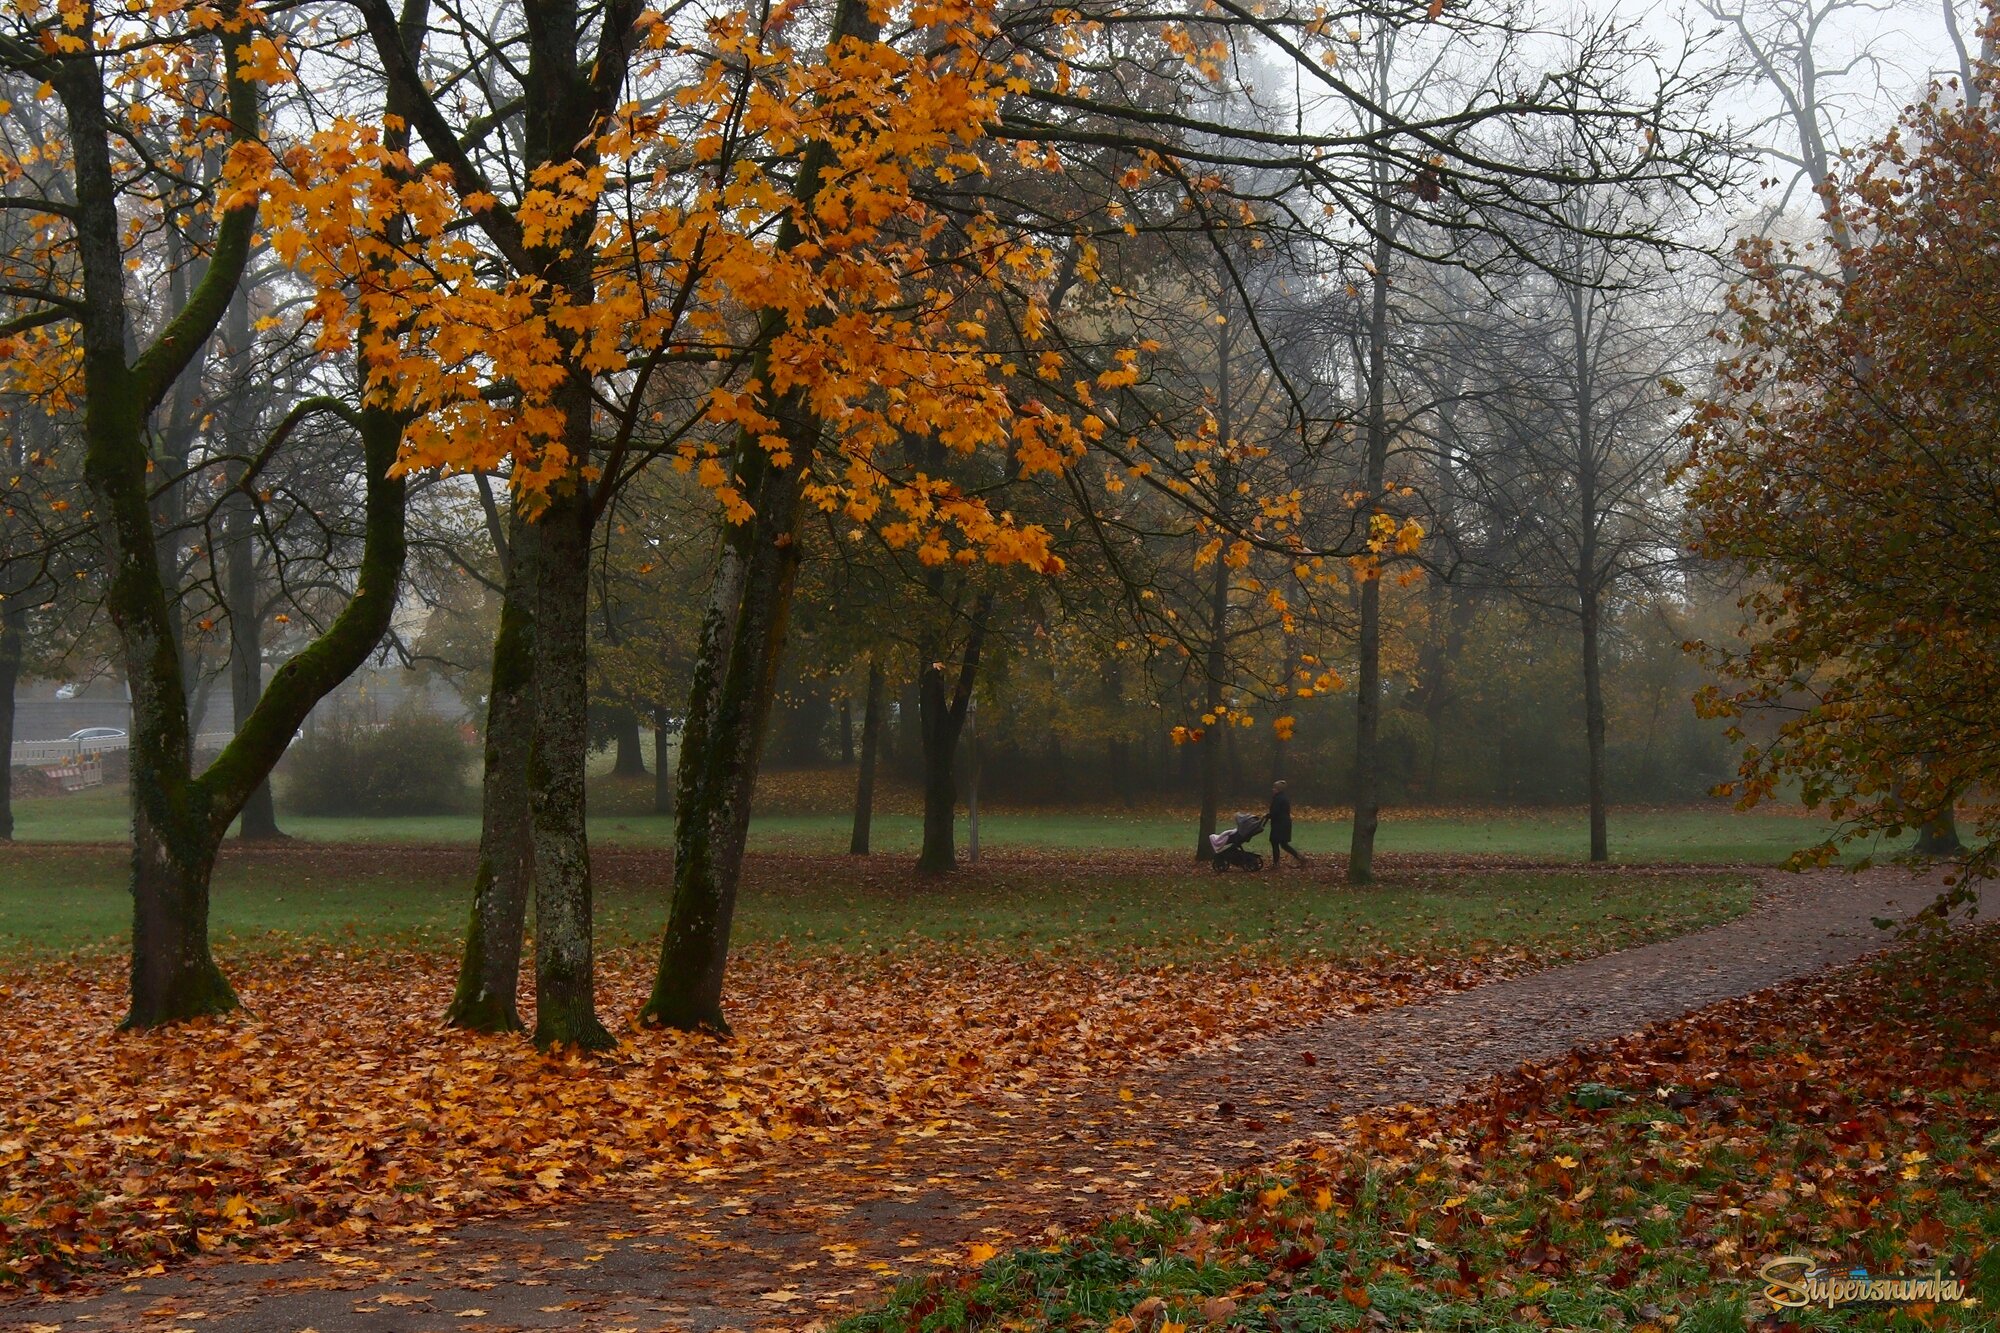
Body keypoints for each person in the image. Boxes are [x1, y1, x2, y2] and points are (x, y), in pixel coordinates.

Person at [1267, 780, 1305, 868]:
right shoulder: (1283, 798)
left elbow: (1275, 812)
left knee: (1275, 842)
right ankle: (1299, 857)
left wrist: (1268, 816)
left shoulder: (1278, 799)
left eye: (1274, 788)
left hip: (1280, 824)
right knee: (1283, 844)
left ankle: (1276, 863)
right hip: (1284, 823)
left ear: (1278, 789)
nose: (1272, 790)